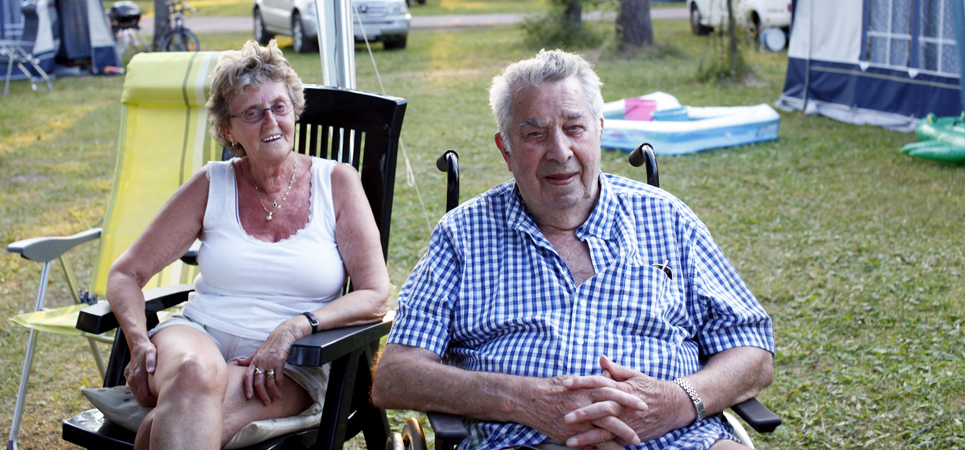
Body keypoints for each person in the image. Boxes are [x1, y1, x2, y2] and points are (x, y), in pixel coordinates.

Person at [372, 49, 774, 450]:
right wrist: (525, 399)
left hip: (677, 437)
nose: (560, 151)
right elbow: (396, 375)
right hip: (522, 441)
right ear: (505, 149)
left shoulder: (668, 218)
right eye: (535, 134)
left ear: (599, 130)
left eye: (574, 128)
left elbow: (752, 351)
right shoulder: (463, 235)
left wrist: (678, 401)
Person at [107, 40, 391, 450]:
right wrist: (138, 342)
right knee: (192, 375)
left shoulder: (337, 183)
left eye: (279, 107)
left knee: (162, 429)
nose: (270, 122)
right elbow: (125, 273)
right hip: (197, 337)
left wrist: (295, 327)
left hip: (292, 362)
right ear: (228, 130)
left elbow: (375, 293)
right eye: (253, 113)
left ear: (295, 110)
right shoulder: (213, 183)